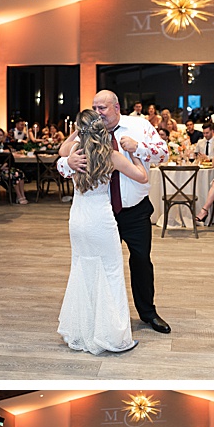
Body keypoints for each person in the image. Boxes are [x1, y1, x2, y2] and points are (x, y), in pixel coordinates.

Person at [58, 91, 170, 334]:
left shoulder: (139, 125)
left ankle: (148, 313)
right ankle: (100, 315)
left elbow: (164, 153)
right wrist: (70, 156)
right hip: (99, 214)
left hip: (134, 211)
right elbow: (63, 152)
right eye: (94, 108)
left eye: (102, 108)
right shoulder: (87, 135)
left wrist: (138, 147)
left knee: (141, 261)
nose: (98, 112)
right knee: (101, 264)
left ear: (116, 106)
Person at [55, 109, 149, 355]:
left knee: (82, 270)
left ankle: (81, 331)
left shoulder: (74, 154)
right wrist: (135, 155)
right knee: (110, 273)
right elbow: (141, 177)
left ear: (80, 131)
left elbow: (60, 155)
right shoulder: (113, 155)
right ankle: (113, 336)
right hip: (100, 220)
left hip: (78, 219)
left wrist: (76, 135)